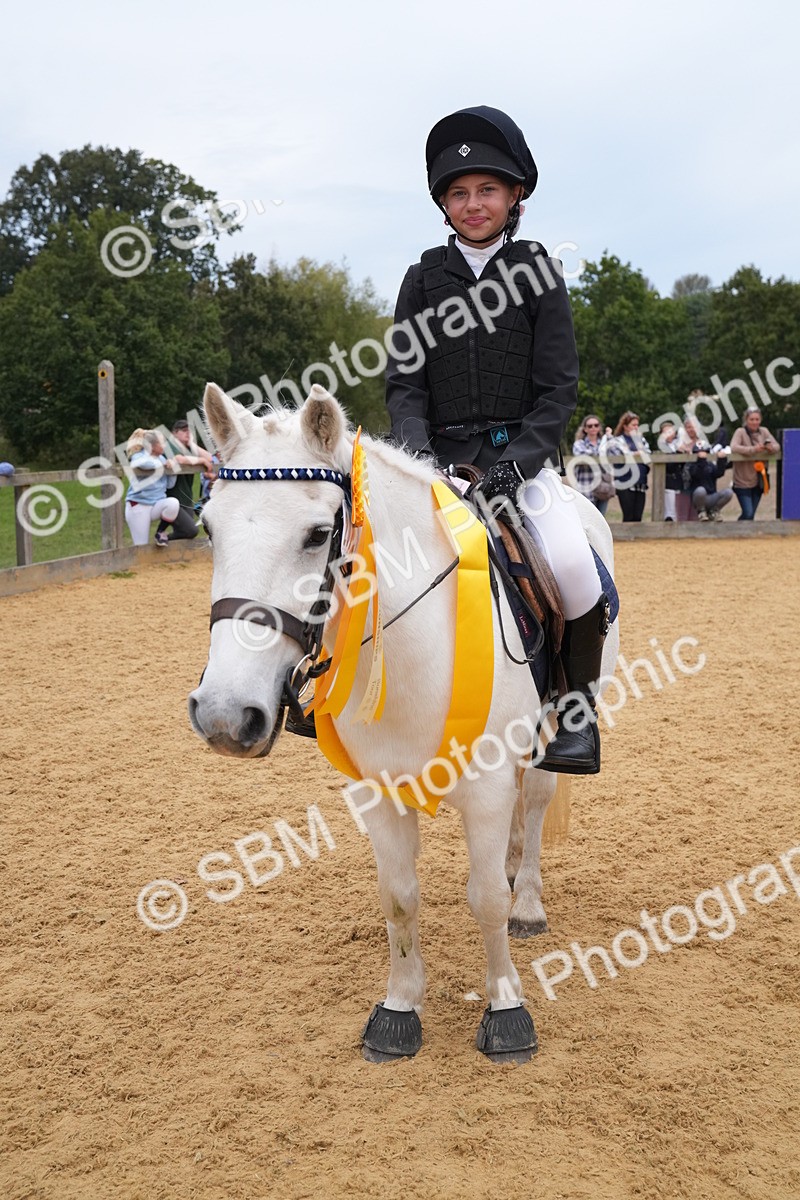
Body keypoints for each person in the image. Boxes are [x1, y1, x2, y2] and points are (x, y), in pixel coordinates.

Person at [385, 105, 609, 775]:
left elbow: (558, 388)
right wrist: (418, 452)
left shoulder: (538, 270)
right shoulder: (422, 279)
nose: (472, 203)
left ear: (515, 196)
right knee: (368, 565)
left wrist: (519, 464)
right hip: (440, 462)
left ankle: (575, 719)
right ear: (443, 204)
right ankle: (324, 693)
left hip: (523, 464)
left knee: (573, 565)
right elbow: (404, 382)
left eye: (486, 190)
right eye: (458, 192)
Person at [156, 419, 214, 541]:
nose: (188, 433)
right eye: (184, 430)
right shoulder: (169, 445)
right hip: (170, 498)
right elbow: (179, 459)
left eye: (190, 431)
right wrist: (201, 461)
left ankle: (166, 546)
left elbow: (210, 458)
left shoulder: (189, 448)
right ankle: (163, 538)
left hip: (185, 498)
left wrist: (192, 444)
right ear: (174, 433)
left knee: (185, 534)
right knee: (191, 531)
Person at [124, 429, 180, 546]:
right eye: (162, 442)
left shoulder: (162, 458)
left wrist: (173, 470)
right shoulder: (139, 456)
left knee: (173, 503)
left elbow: (169, 485)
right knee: (141, 545)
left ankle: (160, 532)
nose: (165, 445)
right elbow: (137, 464)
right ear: (152, 446)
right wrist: (162, 466)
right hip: (139, 505)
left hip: (155, 504)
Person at [730, 406, 780, 520]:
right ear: (746, 420)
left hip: (759, 481)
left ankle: (744, 535)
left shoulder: (764, 431)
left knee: (751, 515)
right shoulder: (740, 432)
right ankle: (736, 530)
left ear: (760, 420)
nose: (754, 422)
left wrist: (770, 448)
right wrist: (753, 450)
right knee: (748, 512)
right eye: (751, 419)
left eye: (757, 419)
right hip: (742, 480)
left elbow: (777, 446)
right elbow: (734, 447)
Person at [604, 412, 650, 522]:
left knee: (638, 516)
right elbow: (616, 455)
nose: (636, 427)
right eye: (633, 425)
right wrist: (635, 454)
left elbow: (647, 455)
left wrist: (634, 454)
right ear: (625, 426)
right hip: (625, 481)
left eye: (637, 425)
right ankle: (627, 539)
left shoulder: (641, 440)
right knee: (628, 515)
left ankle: (637, 539)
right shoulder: (617, 440)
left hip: (640, 481)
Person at [572, 414, 615, 516]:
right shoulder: (579, 444)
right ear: (585, 429)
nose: (593, 428)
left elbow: (616, 452)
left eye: (596, 425)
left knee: (601, 518)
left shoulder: (605, 442)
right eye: (590, 426)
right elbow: (583, 455)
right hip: (586, 485)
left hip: (603, 486)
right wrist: (602, 453)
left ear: (599, 427)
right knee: (588, 518)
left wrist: (609, 437)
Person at [687, 443, 733, 521]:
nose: (703, 454)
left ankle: (714, 511)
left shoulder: (710, 465)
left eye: (705, 452)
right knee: (701, 490)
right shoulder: (691, 465)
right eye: (699, 452)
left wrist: (722, 460)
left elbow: (719, 473)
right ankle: (701, 511)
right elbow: (697, 474)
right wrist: (701, 461)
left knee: (728, 492)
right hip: (698, 498)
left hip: (711, 496)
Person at [656, 420, 682, 521]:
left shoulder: (678, 444)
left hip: (679, 481)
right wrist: (679, 454)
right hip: (668, 482)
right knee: (670, 512)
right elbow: (670, 466)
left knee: (678, 511)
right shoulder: (662, 447)